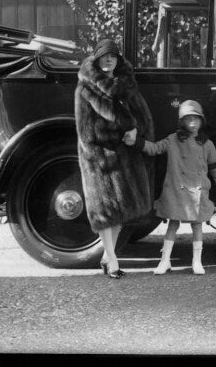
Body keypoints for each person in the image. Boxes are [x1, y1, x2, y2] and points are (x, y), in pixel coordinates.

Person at [74, 38, 155, 279]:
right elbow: (85, 132)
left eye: (113, 56)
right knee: (106, 214)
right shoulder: (86, 89)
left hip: (125, 155)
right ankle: (113, 261)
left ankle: (106, 257)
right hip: (100, 158)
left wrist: (136, 132)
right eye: (105, 56)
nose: (109, 60)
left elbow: (144, 117)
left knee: (120, 214)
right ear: (97, 58)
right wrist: (118, 134)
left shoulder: (126, 86)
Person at [124, 99, 216, 275]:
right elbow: (155, 148)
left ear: (202, 121)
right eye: (188, 118)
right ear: (182, 121)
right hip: (176, 189)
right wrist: (137, 142)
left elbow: (215, 167)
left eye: (196, 118)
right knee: (173, 223)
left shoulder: (207, 144)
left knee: (197, 225)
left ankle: (197, 261)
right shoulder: (173, 140)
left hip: (198, 190)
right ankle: (164, 260)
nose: (192, 122)